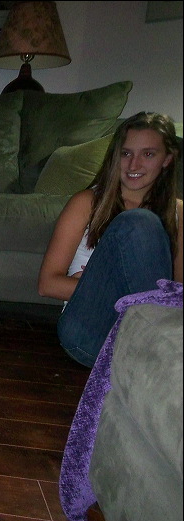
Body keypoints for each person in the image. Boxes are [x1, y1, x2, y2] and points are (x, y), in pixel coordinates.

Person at [38, 111, 182, 368]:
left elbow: (177, 295)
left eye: (148, 154)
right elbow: (47, 285)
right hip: (88, 332)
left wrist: (111, 285)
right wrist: (97, 286)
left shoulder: (179, 214)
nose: (134, 165)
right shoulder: (86, 203)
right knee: (139, 222)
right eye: (126, 153)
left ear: (167, 159)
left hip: (145, 336)